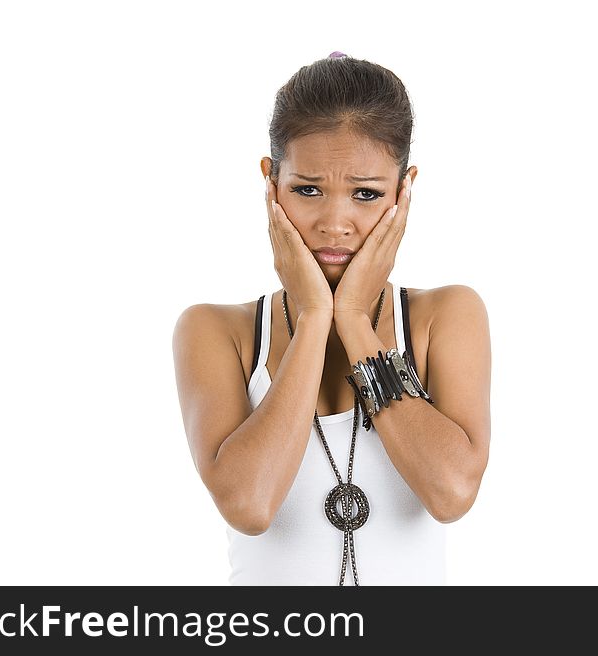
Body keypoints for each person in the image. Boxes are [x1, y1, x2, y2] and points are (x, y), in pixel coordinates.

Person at [172, 52, 491, 585]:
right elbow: (249, 504)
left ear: (404, 189)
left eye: (366, 194)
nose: (334, 223)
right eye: (308, 190)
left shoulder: (446, 317)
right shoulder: (214, 332)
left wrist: (356, 325)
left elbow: (451, 492)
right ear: (270, 183)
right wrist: (318, 315)